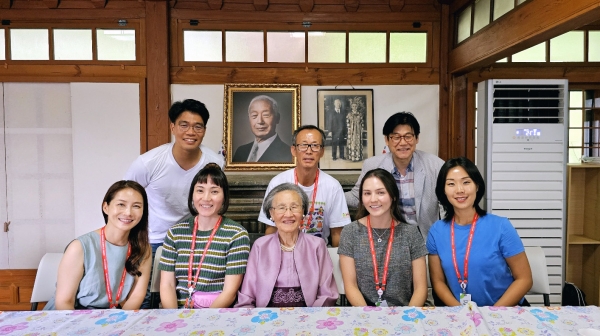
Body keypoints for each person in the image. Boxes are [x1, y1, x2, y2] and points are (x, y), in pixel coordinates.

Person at [125, 99, 224, 308]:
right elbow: (127, 197)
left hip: (189, 240)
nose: (191, 132)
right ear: (172, 127)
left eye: (198, 126)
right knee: (144, 300)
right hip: (152, 239)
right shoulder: (148, 162)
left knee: (184, 297)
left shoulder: (214, 162)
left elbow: (214, 200)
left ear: (204, 130)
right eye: (184, 125)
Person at [427, 157, 532, 307]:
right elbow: (438, 282)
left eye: (466, 182)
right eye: (451, 184)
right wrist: (462, 312)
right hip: (461, 313)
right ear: (443, 190)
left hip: (505, 310)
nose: (459, 190)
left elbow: (524, 279)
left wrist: (492, 314)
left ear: (477, 186)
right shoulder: (437, 231)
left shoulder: (501, 226)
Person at [45, 180, 151, 310]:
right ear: (105, 207)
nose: (128, 212)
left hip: (109, 318)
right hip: (69, 316)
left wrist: (120, 325)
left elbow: (136, 297)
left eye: (136, 206)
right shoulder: (79, 247)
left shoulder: (143, 249)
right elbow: (64, 302)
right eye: (121, 204)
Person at [159, 163, 250, 309]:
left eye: (214, 192)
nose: (206, 198)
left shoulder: (237, 234)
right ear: (192, 195)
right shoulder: (175, 233)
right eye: (200, 190)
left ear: (224, 196)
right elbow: (167, 284)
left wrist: (205, 320)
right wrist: (174, 318)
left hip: (218, 313)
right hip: (178, 312)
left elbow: (230, 292)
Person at [236, 183, 338, 308]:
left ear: (303, 212)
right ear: (271, 214)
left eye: (294, 207)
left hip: (308, 318)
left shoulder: (317, 245)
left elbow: (327, 294)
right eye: (281, 207)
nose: (288, 214)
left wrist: (312, 318)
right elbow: (247, 296)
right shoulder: (260, 246)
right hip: (266, 318)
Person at [345, 112, 444, 240]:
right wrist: (328, 196)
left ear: (417, 138)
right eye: (396, 137)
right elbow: (356, 197)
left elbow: (446, 205)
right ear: (387, 139)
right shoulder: (373, 165)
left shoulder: (435, 165)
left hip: (425, 236)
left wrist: (445, 237)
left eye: (408, 136)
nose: (403, 143)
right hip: (388, 235)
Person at [338, 169, 428, 307]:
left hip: (405, 314)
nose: (373, 199)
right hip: (364, 315)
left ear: (393, 196)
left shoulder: (411, 233)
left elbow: (420, 289)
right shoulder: (350, 232)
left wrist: (407, 317)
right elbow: (351, 286)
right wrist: (368, 317)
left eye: (381, 192)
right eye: (367, 193)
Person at [258, 125, 351, 247]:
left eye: (315, 145)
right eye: (303, 145)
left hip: (319, 254)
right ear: (293, 150)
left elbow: (337, 234)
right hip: (284, 251)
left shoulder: (333, 186)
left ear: (322, 151)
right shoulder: (278, 183)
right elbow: (271, 229)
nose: (309, 151)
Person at [232, 95, 293, 163]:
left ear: (277, 118)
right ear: (249, 118)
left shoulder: (289, 153)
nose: (260, 121)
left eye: (266, 115)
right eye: (254, 115)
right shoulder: (241, 151)